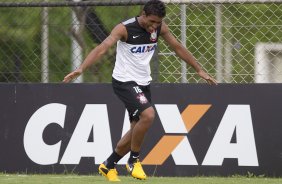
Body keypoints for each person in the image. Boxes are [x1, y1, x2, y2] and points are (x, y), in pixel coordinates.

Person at [63, 0, 217, 181]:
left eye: (158, 23)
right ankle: (134, 160)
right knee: (149, 115)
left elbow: (177, 47)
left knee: (136, 129)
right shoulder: (124, 28)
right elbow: (103, 48)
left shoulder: (160, 28)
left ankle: (109, 164)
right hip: (124, 82)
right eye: (151, 21)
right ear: (143, 14)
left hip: (143, 82)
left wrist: (198, 69)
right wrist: (82, 68)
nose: (154, 26)